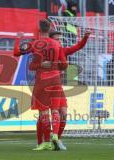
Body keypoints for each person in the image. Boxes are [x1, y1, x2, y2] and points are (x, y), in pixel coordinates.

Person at [14, 19, 68, 151]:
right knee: (55, 110)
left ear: (39, 29)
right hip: (55, 79)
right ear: (50, 29)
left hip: (42, 80)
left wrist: (18, 39)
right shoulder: (57, 44)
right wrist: (57, 66)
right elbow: (65, 64)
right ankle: (55, 135)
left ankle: (46, 142)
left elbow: (16, 53)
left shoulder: (35, 44)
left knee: (43, 112)